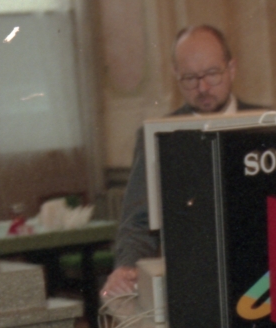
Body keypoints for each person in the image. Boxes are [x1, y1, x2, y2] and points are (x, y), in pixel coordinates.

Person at [101, 24, 265, 298]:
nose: (203, 87)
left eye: (212, 74)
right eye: (189, 78)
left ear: (232, 69)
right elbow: (138, 221)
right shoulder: (156, 135)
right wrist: (126, 267)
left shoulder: (269, 123)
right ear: (176, 76)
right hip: (193, 280)